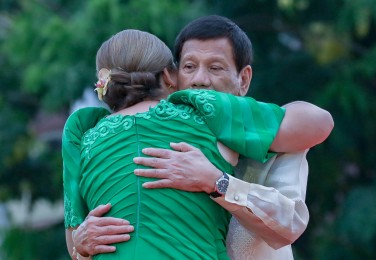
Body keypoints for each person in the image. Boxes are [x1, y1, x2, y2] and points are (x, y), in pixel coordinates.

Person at [70, 16, 334, 259]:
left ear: (244, 79)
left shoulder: (276, 140)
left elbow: (289, 224)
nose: (199, 80)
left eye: (215, 68)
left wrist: (218, 181)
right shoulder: (184, 116)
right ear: (171, 77)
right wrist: (80, 246)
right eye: (188, 67)